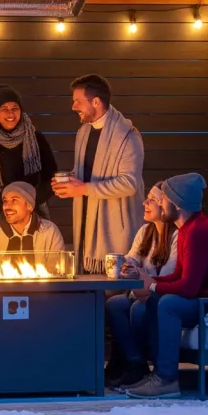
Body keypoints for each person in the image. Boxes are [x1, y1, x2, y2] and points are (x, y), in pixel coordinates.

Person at [126, 173, 208, 399]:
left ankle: (167, 379)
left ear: (177, 205)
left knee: (168, 303)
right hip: (203, 296)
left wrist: (152, 287)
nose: (160, 203)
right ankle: (160, 374)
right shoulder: (186, 229)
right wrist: (151, 284)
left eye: (163, 200)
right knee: (156, 300)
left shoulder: (198, 232)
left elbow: (188, 287)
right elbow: (180, 274)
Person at [52, 74, 144, 274]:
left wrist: (84, 188)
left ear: (96, 102)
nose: (73, 106)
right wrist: (68, 181)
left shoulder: (128, 136)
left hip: (114, 234)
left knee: (113, 294)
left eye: (78, 101)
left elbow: (129, 183)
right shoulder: (83, 132)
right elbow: (85, 172)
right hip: (86, 224)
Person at [105, 184, 179, 389]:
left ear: (165, 206)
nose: (145, 203)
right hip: (139, 291)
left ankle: (140, 365)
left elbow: (168, 274)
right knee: (114, 304)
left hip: (158, 294)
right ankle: (136, 363)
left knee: (138, 309)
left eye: (151, 200)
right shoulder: (146, 231)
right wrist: (124, 265)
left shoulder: (176, 236)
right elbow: (133, 257)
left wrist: (141, 278)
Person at [0, 84, 57, 236]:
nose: (11, 114)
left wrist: (29, 204)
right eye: (4, 109)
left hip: (31, 217)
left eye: (15, 108)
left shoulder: (36, 140)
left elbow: (51, 179)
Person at [0, 181, 66, 266]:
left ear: (29, 206)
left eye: (14, 200)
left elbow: (57, 270)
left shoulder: (49, 231)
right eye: (5, 201)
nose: (7, 206)